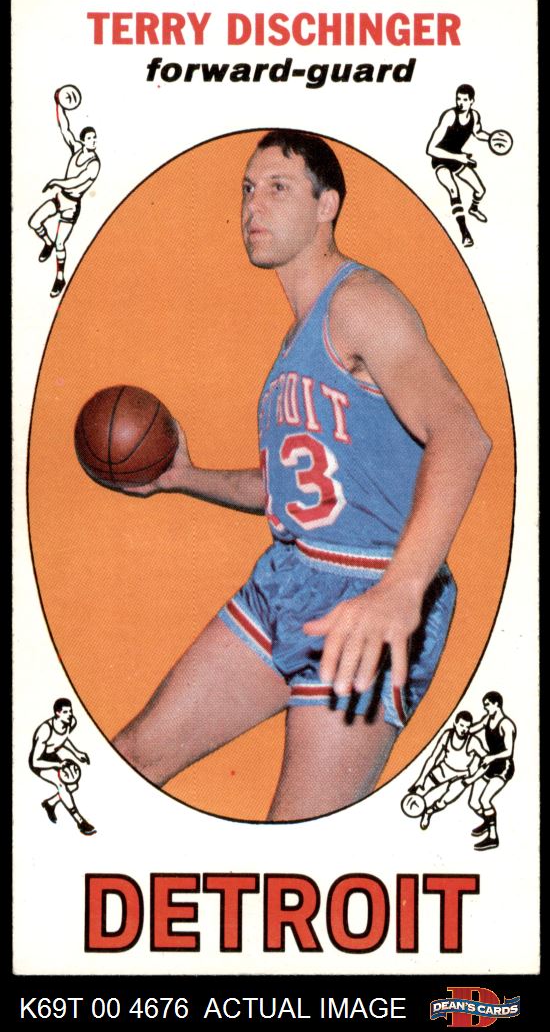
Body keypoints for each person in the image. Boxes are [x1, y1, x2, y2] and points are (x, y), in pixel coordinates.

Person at [111, 129, 491, 821]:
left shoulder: (361, 302)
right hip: (290, 574)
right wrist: (180, 477)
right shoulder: (298, 338)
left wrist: (401, 590)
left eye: (277, 187)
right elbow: (284, 491)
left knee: (295, 835)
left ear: (326, 206)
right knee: (132, 758)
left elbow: (463, 436)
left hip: (370, 588)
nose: (252, 206)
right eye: (247, 190)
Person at [28, 95, 100, 298]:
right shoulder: (76, 149)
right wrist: (59, 103)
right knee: (34, 222)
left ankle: (60, 278)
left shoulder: (94, 164)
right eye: (90, 138)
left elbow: (76, 182)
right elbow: (64, 128)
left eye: (95, 138)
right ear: (83, 141)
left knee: (61, 244)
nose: (94, 141)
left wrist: (56, 181)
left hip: (71, 206)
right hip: (61, 198)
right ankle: (47, 242)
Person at [426, 84, 491, 248]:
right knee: (454, 190)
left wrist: (491, 138)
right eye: (458, 99)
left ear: (472, 101)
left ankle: (473, 209)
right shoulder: (450, 116)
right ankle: (465, 234)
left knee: (480, 190)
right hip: (440, 159)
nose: (461, 103)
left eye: (464, 100)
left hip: (458, 158)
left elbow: (478, 133)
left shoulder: (474, 116)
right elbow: (431, 149)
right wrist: (459, 157)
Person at [409, 710, 485, 830]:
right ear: (455, 723)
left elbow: (487, 759)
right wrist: (421, 778)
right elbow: (433, 758)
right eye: (461, 725)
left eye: (467, 727)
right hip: (444, 769)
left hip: (462, 775)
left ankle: (429, 812)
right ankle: (416, 809)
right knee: (420, 792)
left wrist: (474, 776)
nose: (464, 729)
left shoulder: (473, 741)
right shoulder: (447, 735)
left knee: (445, 800)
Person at [29, 698, 95, 834]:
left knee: (73, 785)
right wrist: (58, 764)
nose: (70, 714)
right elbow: (36, 761)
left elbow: (63, 739)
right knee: (62, 785)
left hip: (52, 756)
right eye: (65, 712)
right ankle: (80, 822)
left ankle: (50, 803)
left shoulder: (71, 722)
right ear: (57, 713)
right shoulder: (45, 730)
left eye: (70, 711)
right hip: (40, 762)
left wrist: (77, 753)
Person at [466, 691, 516, 850]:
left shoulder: (506, 724)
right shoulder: (488, 718)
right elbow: (474, 728)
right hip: (490, 764)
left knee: (485, 800)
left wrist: (491, 757)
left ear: (496, 704)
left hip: (503, 767)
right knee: (473, 802)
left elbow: (509, 751)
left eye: (487, 705)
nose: (485, 708)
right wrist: (462, 729)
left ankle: (493, 837)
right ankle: (488, 821)